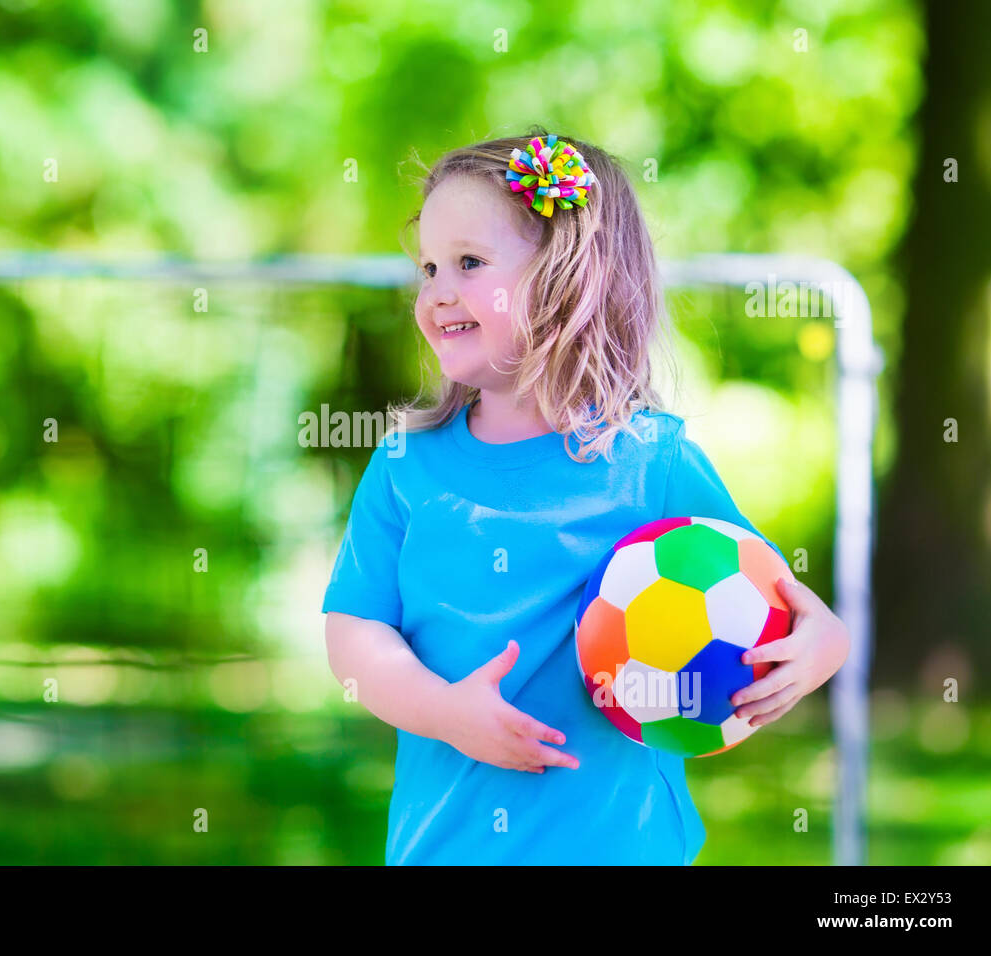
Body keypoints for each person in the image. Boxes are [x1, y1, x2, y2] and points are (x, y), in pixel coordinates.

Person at [321, 127, 850, 865]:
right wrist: (443, 711)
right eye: (429, 268)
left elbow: (771, 595)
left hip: (625, 846)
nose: (439, 292)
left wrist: (825, 638)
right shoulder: (408, 465)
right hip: (448, 845)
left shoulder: (652, 462)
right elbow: (354, 634)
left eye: (469, 263)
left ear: (569, 275)